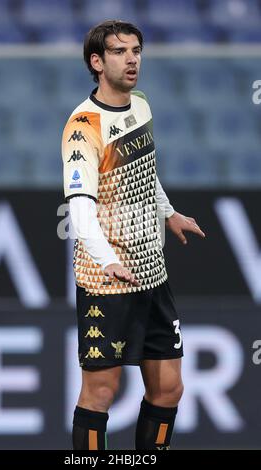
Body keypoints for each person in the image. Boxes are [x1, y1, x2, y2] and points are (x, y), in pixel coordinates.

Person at [61, 20, 205, 450]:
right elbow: (81, 208)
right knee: (101, 393)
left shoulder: (140, 105)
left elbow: (146, 173)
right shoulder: (83, 126)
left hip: (151, 274)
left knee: (169, 389)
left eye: (136, 51)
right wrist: (108, 261)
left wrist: (169, 212)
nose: (132, 60)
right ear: (97, 61)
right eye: (120, 52)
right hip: (106, 281)